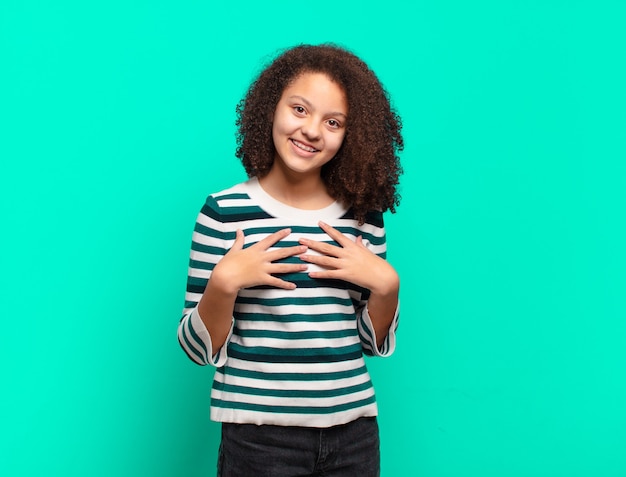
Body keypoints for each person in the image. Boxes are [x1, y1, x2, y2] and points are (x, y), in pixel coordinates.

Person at [178, 43, 404, 477]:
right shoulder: (223, 213)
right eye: (300, 109)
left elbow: (368, 343)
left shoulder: (363, 218)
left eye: (333, 122)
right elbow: (194, 347)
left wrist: (387, 288)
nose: (312, 130)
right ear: (271, 107)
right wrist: (224, 283)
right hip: (261, 440)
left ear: (350, 136)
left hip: (354, 433)